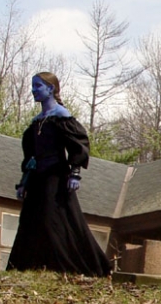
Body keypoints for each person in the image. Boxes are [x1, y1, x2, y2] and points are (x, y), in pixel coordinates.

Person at [7, 72, 112, 277]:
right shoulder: (36, 123)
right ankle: (28, 267)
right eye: (32, 86)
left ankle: (76, 266)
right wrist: (24, 183)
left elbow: (78, 145)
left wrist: (74, 173)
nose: (33, 90)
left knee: (52, 218)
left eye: (38, 86)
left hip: (56, 177)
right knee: (29, 220)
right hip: (37, 177)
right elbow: (31, 157)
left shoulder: (62, 117)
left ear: (51, 89)